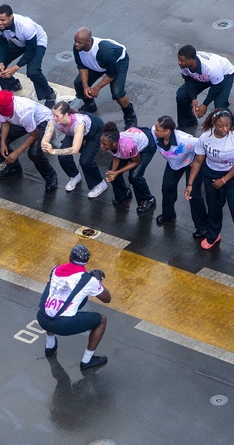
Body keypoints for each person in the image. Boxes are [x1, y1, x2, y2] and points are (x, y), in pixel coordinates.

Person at [185, 110, 234, 253]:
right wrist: (190, 184)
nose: (224, 129)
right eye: (220, 126)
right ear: (213, 123)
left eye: (227, 125)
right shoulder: (205, 138)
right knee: (213, 208)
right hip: (211, 175)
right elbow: (198, 161)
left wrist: (224, 180)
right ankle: (213, 235)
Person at [37, 243, 111, 371]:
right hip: (64, 325)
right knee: (102, 320)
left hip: (42, 318)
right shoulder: (88, 280)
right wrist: (97, 281)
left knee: (59, 304)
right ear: (86, 261)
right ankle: (87, 361)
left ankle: (50, 346)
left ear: (70, 257)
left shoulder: (55, 269)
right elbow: (107, 299)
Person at [0, 90, 58, 191]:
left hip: (42, 122)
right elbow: (5, 122)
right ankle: (13, 167)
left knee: (34, 153)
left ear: (5, 108)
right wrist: (3, 142)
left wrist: (17, 152)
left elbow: (34, 135)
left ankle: (50, 175)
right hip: (23, 123)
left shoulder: (24, 112)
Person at [151, 116, 208, 233]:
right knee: (167, 187)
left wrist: (196, 161)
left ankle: (202, 226)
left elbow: (203, 147)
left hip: (191, 162)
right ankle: (168, 214)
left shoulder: (186, 141)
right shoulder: (154, 133)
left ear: (167, 131)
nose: (154, 130)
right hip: (174, 163)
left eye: (158, 129)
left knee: (193, 193)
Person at [41, 101, 107, 199]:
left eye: (57, 116)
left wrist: (53, 151)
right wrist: (44, 144)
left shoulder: (78, 123)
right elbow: (46, 137)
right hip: (72, 132)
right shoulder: (54, 120)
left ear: (66, 114)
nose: (54, 118)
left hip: (95, 131)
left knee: (85, 160)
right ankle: (75, 175)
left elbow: (75, 149)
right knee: (63, 157)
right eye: (53, 115)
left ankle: (99, 183)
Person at [72, 27, 136, 129]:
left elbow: (112, 74)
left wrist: (96, 88)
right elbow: (82, 66)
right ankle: (90, 105)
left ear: (88, 41)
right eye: (75, 41)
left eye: (79, 42)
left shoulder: (105, 51)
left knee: (117, 92)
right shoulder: (78, 48)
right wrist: (86, 87)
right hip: (97, 62)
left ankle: (130, 114)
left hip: (117, 62)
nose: (76, 44)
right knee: (78, 83)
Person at [0, 5, 54, 107]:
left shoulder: (25, 26)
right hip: (18, 42)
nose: (0, 23)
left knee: (33, 71)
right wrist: (1, 63)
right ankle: (12, 85)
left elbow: (31, 50)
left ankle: (49, 94)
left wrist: (15, 68)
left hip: (36, 42)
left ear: (11, 17)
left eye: (3, 20)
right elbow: (1, 44)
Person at [100, 121, 156, 213]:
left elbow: (136, 161)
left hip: (146, 145)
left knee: (135, 176)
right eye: (101, 143)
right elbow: (116, 155)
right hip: (131, 142)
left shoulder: (128, 146)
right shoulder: (110, 143)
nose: (101, 146)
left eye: (104, 144)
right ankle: (123, 193)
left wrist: (117, 172)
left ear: (114, 144)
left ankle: (148, 199)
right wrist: (113, 172)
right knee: (112, 173)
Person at [176, 45, 234, 130]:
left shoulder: (211, 67)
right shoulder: (184, 66)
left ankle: (233, 129)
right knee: (182, 95)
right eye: (179, 59)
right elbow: (188, 80)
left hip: (223, 75)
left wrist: (205, 105)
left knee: (220, 105)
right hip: (203, 76)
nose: (179, 62)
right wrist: (193, 98)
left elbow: (217, 87)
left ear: (191, 60)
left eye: (182, 61)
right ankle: (187, 121)